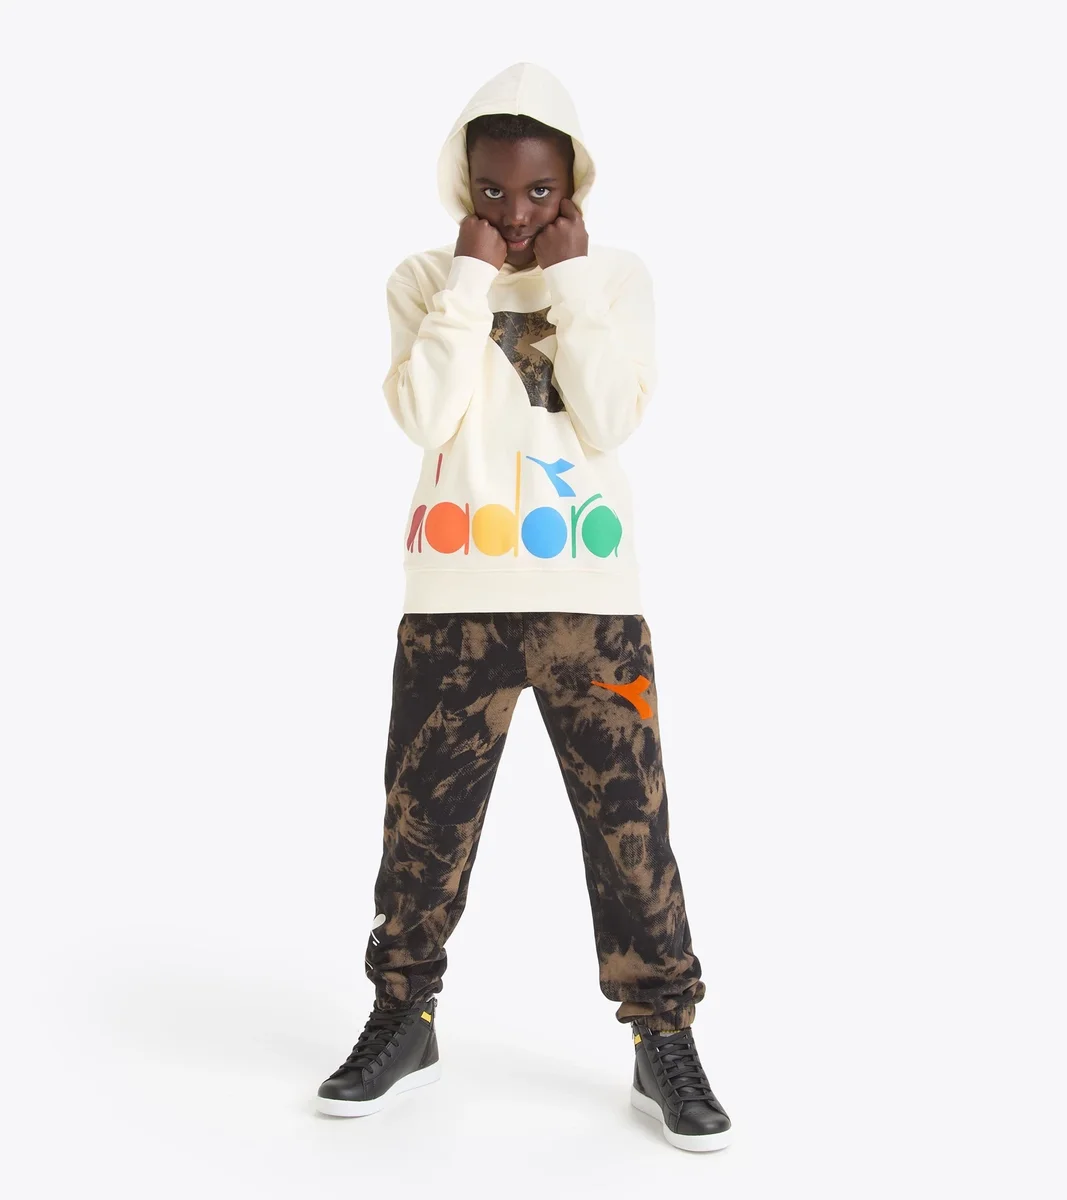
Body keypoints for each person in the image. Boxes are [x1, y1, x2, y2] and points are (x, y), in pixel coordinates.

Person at [313, 61, 731, 1152]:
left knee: (629, 826)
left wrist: (573, 281)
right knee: (422, 825)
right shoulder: (424, 278)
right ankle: (403, 1019)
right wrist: (468, 279)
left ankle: (661, 1037)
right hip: (451, 599)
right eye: (492, 190)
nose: (514, 212)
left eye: (538, 190)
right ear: (462, 182)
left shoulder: (614, 277)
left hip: (591, 601)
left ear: (572, 184)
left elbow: (609, 417)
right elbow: (425, 414)